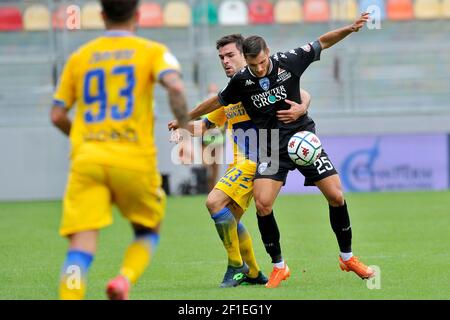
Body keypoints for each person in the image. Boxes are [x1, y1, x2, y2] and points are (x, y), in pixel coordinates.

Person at [169, 13, 375, 289]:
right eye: (253, 65)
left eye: (262, 62)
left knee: (336, 196)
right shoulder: (240, 83)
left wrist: (350, 28)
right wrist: (184, 120)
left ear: (268, 53)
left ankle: (347, 257)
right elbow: (213, 106)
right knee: (261, 205)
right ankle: (275, 267)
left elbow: (322, 44)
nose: (259, 69)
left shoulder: (287, 61)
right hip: (270, 146)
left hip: (300, 139)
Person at [50, 0, 190, 300]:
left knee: (80, 248)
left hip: (88, 159)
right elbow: (176, 88)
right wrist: (183, 124)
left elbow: (57, 114)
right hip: (133, 159)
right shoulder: (152, 51)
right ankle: (123, 280)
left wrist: (84, 137)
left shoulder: (79, 57)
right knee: (148, 230)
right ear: (137, 15)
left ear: (101, 15)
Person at [169, 34, 311, 287]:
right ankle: (253, 272)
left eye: (230, 55)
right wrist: (182, 127)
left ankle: (237, 266)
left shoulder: (259, 82)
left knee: (213, 202)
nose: (225, 61)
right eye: (221, 57)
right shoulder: (233, 90)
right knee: (229, 220)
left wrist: (301, 107)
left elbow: (302, 93)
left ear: (245, 56)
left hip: (260, 159)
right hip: (240, 163)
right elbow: (206, 126)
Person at [201, 83, 224, 192]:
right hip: (206, 140)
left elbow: (227, 122)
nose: (212, 94)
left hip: (218, 140)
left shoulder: (222, 105)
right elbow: (198, 121)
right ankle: (205, 185)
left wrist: (220, 130)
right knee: (206, 164)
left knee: (215, 167)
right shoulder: (201, 104)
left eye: (214, 92)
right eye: (211, 91)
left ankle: (212, 189)